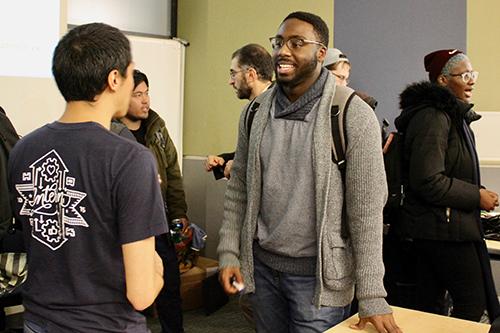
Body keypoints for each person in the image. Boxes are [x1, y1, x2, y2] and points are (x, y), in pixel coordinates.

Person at [217, 11, 400, 333]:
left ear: (320, 53)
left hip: (319, 283)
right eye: (279, 42)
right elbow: (239, 189)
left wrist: (372, 294)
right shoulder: (255, 112)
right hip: (262, 273)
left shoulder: (351, 114)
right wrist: (230, 253)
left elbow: (367, 211)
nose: (283, 51)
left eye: (297, 43)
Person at [8, 23, 166, 332]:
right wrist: (157, 268)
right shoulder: (131, 159)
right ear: (114, 79)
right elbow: (142, 294)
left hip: (38, 322)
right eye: (131, 74)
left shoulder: (23, 149)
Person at [393, 49, 500, 322]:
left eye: (472, 74)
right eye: (464, 75)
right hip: (442, 232)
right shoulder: (433, 117)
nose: (472, 80)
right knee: (471, 304)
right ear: (442, 80)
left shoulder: (453, 117)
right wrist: (476, 196)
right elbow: (427, 180)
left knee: (430, 310)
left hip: (445, 228)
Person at [119, 69, 187, 333]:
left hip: (160, 224)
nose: (145, 100)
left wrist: (179, 214)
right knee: (131, 294)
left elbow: (173, 173)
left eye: (147, 93)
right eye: (138, 95)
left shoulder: (157, 128)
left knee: (170, 287)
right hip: (129, 229)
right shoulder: (112, 134)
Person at [204, 44, 273, 179]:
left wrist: (237, 166)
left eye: (233, 74)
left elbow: (272, 158)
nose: (230, 81)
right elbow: (250, 152)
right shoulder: (254, 108)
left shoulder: (277, 106)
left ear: (251, 75)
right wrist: (223, 160)